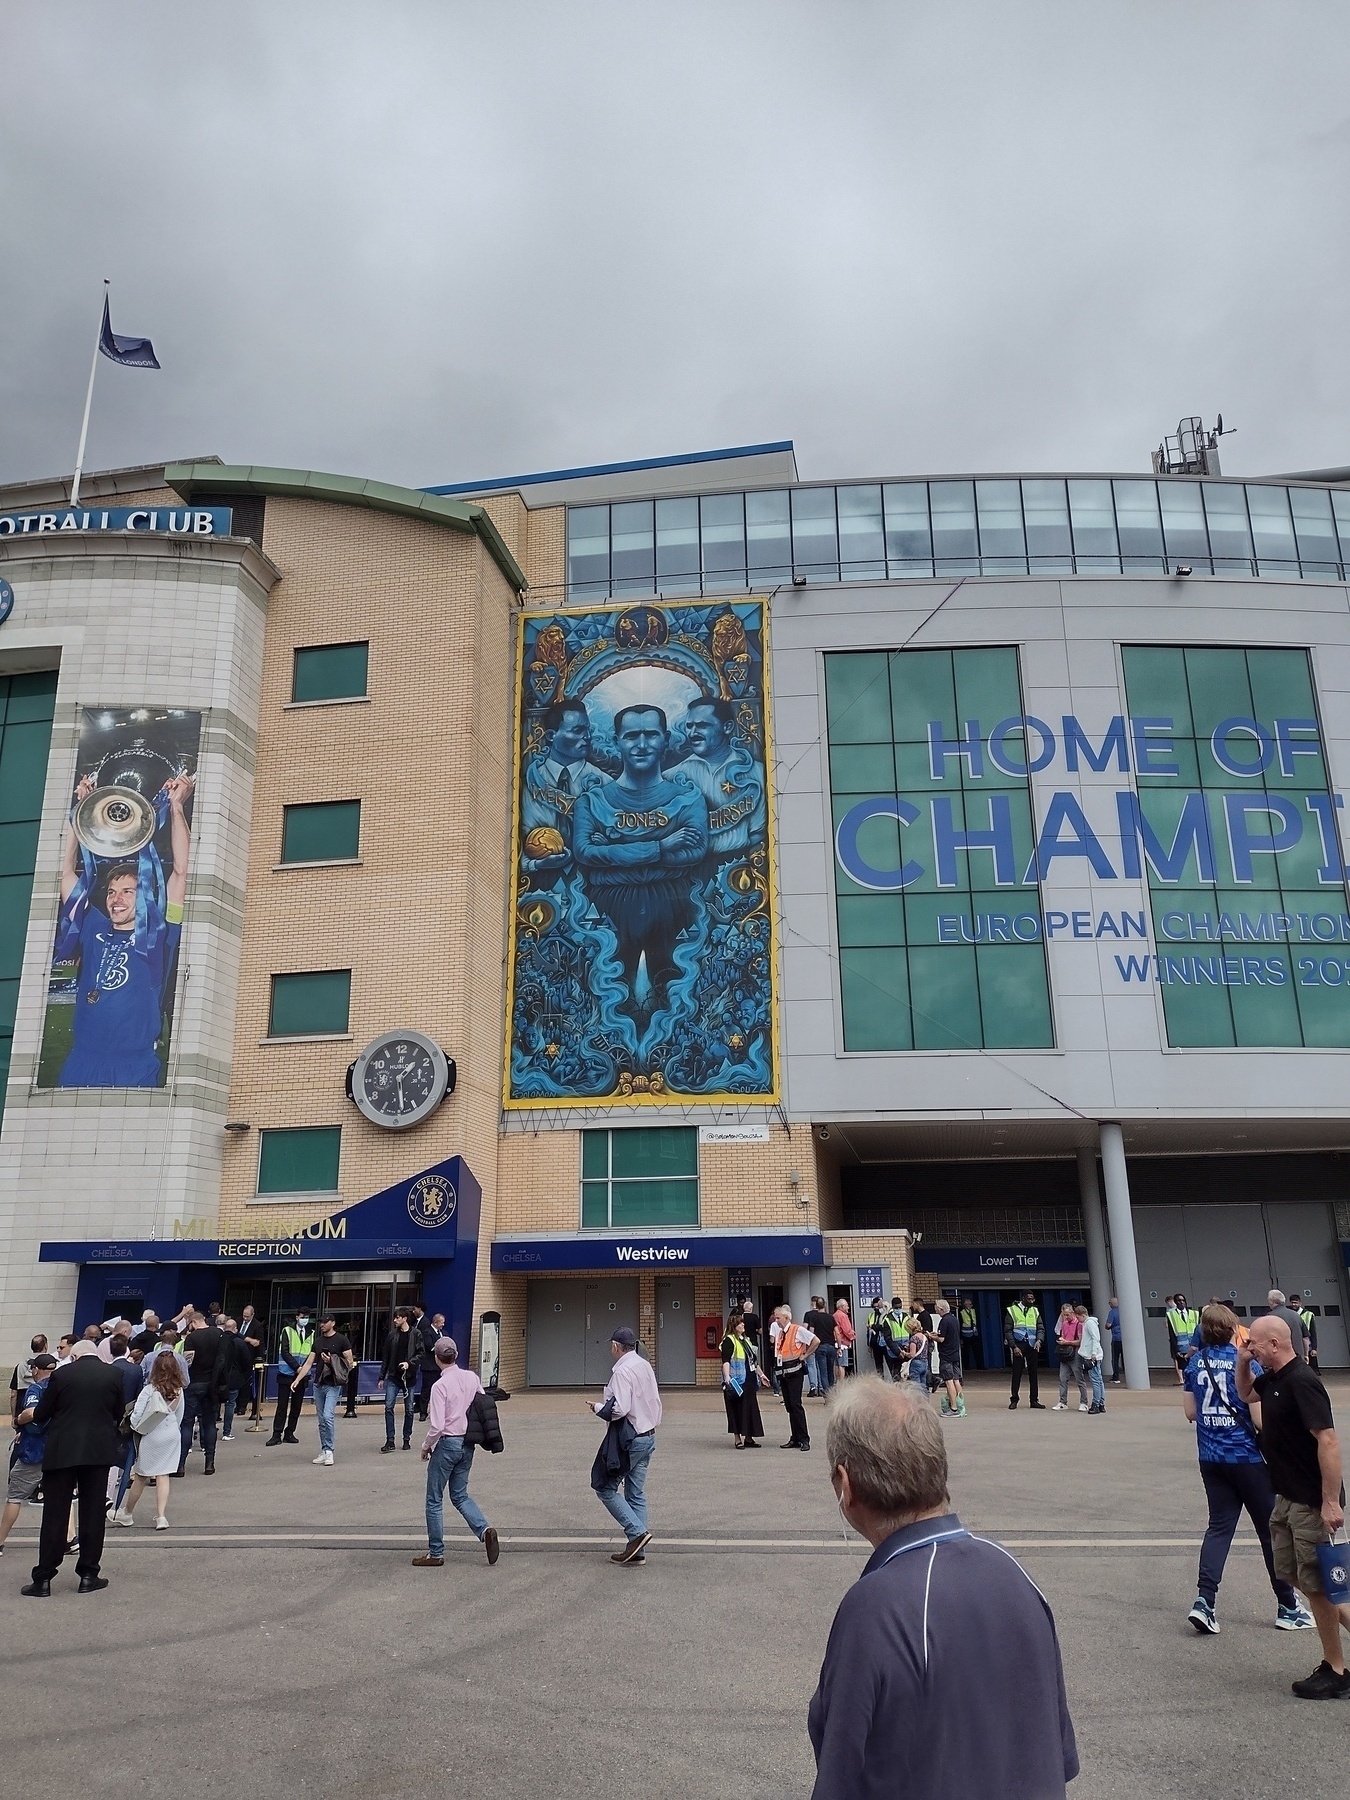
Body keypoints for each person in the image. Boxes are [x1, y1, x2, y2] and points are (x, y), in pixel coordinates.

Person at [808, 1379, 1078, 1798]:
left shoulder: (875, 1608)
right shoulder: (1016, 1575)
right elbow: (1055, 1751)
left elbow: (841, 1774)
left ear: (846, 1485)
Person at [54, 770, 193, 1087]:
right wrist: (79, 812)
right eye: (112, 891)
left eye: (128, 891)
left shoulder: (160, 934)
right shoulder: (94, 926)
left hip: (133, 1066)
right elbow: (64, 871)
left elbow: (182, 873)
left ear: (145, 896)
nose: (116, 899)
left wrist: (175, 808)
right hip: (81, 1062)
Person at [1180, 1304, 1312, 1636]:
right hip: (1247, 1458)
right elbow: (1257, 1418)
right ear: (1234, 1330)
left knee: (1219, 1528)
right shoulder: (1245, 1363)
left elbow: (1190, 1412)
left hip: (1211, 1457)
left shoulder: (1196, 1363)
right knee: (1269, 1532)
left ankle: (1205, 1601)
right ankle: (1287, 1605)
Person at [572, 704, 710, 1018]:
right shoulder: (591, 801)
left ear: (666, 739)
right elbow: (585, 852)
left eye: (651, 734)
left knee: (674, 997)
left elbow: (694, 851)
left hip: (673, 904)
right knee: (608, 997)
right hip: (607, 909)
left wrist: (614, 848)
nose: (642, 744)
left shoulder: (689, 798)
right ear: (617, 740)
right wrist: (661, 846)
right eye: (632, 735)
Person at [1238, 1314, 1350, 1698]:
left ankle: (1336, 1671)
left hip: (1311, 1501)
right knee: (1290, 1573)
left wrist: (1330, 1502)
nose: (1249, 1347)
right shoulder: (1274, 1379)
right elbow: (1245, 1395)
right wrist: (1242, 1362)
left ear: (1275, 1344)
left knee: (1319, 1586)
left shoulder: (1303, 1382)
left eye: (1254, 1343)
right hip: (1286, 1497)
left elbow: (1329, 1441)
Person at [19, 1341, 125, 1596]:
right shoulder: (114, 1374)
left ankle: (44, 1577)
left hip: (63, 1449)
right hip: (98, 1451)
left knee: (56, 1513)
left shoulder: (62, 1374)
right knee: (93, 1512)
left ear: (75, 1355)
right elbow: (118, 1411)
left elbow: (43, 1413)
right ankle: (89, 1574)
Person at [411, 1338, 501, 1568]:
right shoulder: (471, 1377)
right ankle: (484, 1529)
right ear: (457, 1354)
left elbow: (437, 1425)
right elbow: (481, 1401)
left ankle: (436, 1552)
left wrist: (425, 1446)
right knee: (460, 1494)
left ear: (437, 1358)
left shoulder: (439, 1386)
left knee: (434, 1498)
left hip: (448, 1442)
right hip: (468, 1443)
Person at [587, 1326, 662, 1564]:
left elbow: (620, 1409)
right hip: (648, 1433)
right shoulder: (644, 1365)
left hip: (629, 1437)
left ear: (617, 1347)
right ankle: (637, 1551)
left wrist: (599, 1408)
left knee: (604, 1487)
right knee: (635, 1492)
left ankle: (636, 1532)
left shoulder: (622, 1372)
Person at [671, 697, 766, 857]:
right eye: (689, 726)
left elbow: (759, 834)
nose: (693, 733)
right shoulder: (672, 776)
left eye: (702, 726)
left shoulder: (756, 772)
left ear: (727, 727)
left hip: (736, 867)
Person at [114, 1348, 186, 1531]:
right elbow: (179, 1415)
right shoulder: (179, 1390)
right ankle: (161, 1516)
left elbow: (137, 1415)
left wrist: (136, 1429)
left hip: (151, 1434)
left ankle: (127, 1512)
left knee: (141, 1475)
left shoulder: (149, 1390)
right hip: (170, 1434)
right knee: (163, 1475)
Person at [0, 1353, 56, 1559]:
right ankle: (70, 1539)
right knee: (61, 1497)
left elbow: (31, 1412)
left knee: (15, 1497)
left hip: (34, 1451)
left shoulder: (37, 1388)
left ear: (36, 1370)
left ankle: (0, 1541)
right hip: (58, 1451)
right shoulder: (63, 1388)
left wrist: (19, 1419)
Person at [293, 1315, 354, 1466]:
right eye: (321, 1322)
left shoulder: (342, 1340)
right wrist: (297, 1379)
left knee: (328, 1416)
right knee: (321, 1420)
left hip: (333, 1384)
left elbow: (350, 1363)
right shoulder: (318, 1341)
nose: (322, 1325)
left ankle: (330, 1451)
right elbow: (308, 1363)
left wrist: (332, 1360)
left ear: (333, 1323)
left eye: (325, 1322)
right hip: (319, 1384)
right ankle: (325, 1449)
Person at [179, 1310, 228, 1475]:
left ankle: (180, 1465)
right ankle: (209, 1463)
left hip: (194, 1383)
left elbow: (188, 1362)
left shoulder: (192, 1338)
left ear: (193, 1322)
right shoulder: (218, 1334)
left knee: (187, 1423)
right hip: (212, 1384)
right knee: (209, 1424)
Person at [266, 1308, 313, 1445]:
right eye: (302, 1316)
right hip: (286, 1373)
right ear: (297, 1317)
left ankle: (290, 1432)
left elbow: (311, 1354)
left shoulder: (312, 1333)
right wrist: (297, 1368)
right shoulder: (287, 1330)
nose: (305, 1319)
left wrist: (303, 1369)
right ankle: (276, 1434)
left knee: (296, 1406)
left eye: (307, 1317)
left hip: (302, 1375)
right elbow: (285, 1352)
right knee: (282, 1406)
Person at [720, 1313, 767, 1448]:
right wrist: (727, 1378)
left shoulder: (745, 1340)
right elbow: (726, 1361)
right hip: (737, 1382)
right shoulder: (729, 1340)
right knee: (736, 1409)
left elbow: (753, 1361)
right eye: (740, 1323)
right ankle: (737, 1438)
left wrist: (762, 1375)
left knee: (750, 1409)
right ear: (734, 1327)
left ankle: (749, 1437)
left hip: (749, 1380)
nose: (743, 1325)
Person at [775, 1306, 819, 1452]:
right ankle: (794, 1437)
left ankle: (804, 1439)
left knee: (796, 1405)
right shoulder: (781, 1333)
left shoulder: (797, 1330)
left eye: (778, 1318)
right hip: (784, 1372)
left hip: (795, 1372)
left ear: (786, 1318)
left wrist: (805, 1355)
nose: (776, 1320)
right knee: (789, 1406)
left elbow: (816, 1341)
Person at [379, 1305, 417, 1453]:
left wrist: (410, 1363)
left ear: (405, 1318)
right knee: (388, 1406)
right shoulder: (392, 1335)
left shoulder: (416, 1334)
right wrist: (382, 1376)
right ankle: (390, 1440)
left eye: (398, 1317)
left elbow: (420, 1353)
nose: (395, 1320)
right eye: (395, 1317)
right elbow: (386, 1357)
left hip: (409, 1378)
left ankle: (406, 1438)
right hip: (394, 1376)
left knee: (409, 1409)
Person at [1006, 1292, 1045, 1410]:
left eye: (1033, 1299)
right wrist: (1014, 1347)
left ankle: (1034, 1400)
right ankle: (1014, 1399)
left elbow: (1040, 1327)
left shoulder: (1035, 1311)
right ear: (1023, 1298)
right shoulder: (1012, 1310)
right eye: (1029, 1299)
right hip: (1019, 1344)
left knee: (1033, 1374)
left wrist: (1039, 1340)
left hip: (1032, 1345)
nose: (1032, 1301)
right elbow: (1008, 1331)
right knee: (1017, 1373)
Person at [1052, 1303, 1088, 1412]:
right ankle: (1063, 1402)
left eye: (1067, 1315)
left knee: (1079, 1378)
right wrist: (1061, 1340)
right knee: (1062, 1378)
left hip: (1075, 1352)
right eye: (1063, 1315)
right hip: (1065, 1353)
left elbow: (1080, 1341)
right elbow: (1062, 1335)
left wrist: (1066, 1342)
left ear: (1072, 1313)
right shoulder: (1064, 1323)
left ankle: (1084, 1402)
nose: (1065, 1317)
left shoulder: (1079, 1324)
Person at [934, 1299, 966, 1417]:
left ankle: (953, 1408)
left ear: (941, 1309)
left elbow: (942, 1339)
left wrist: (932, 1337)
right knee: (956, 1380)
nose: (935, 1309)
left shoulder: (944, 1321)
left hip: (946, 1355)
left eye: (936, 1307)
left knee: (949, 1381)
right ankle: (961, 1406)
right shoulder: (954, 1319)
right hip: (955, 1353)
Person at [409, 1302, 440, 1421]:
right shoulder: (415, 1322)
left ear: (420, 1309)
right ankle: (419, 1406)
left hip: (428, 1361)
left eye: (415, 1308)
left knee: (427, 1388)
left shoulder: (425, 1323)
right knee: (424, 1387)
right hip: (422, 1360)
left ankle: (422, 1408)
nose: (413, 1311)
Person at [10, 1334, 48, 1426]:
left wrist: (14, 1417)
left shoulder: (20, 1366)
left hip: (22, 1409)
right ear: (46, 1346)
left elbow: (13, 1394)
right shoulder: (51, 1364)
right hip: (44, 1408)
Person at [1076, 1306, 1106, 1415]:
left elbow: (1095, 1338)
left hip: (1092, 1355)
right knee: (1099, 1379)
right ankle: (1101, 1403)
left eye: (1078, 1317)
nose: (1078, 1319)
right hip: (1095, 1354)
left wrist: (1093, 1353)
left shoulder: (1089, 1323)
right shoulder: (1090, 1323)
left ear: (1082, 1315)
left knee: (1095, 1380)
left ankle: (1096, 1404)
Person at [1166, 1293, 1201, 1386]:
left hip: (1194, 1347)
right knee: (1185, 1369)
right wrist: (1176, 1349)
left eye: (1183, 1300)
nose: (1181, 1302)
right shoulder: (1171, 1315)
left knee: (1195, 1367)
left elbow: (1199, 1331)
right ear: (1175, 1302)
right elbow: (1172, 1333)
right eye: (1178, 1300)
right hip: (1181, 1348)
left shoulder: (1194, 1314)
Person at [804, 1296, 836, 1395]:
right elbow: (837, 1332)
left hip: (818, 1345)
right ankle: (830, 1391)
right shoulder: (831, 1317)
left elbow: (809, 1331)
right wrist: (838, 1345)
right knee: (830, 1370)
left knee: (819, 1369)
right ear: (825, 1305)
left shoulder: (811, 1316)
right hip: (831, 1345)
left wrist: (809, 1344)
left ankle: (820, 1390)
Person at [1266, 1289, 1309, 1360]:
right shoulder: (1296, 1315)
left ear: (1271, 1301)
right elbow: (1305, 1339)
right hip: (1297, 1358)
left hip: (1279, 1360)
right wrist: (1306, 1355)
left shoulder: (1269, 1317)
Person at [864, 1295, 890, 1378]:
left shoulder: (887, 1315)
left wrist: (874, 1326)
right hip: (875, 1343)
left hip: (885, 1343)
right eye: (874, 1307)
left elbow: (884, 1328)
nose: (876, 1309)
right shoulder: (871, 1315)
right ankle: (880, 1380)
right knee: (878, 1364)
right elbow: (869, 1332)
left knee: (889, 1362)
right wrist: (869, 1344)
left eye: (878, 1307)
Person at [832, 1297, 856, 1380]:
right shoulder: (843, 1316)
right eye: (847, 1306)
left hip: (834, 1343)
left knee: (836, 1364)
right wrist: (853, 1335)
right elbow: (847, 1330)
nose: (848, 1307)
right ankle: (841, 1384)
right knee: (842, 1365)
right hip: (842, 1343)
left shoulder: (834, 1315)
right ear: (842, 1307)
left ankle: (836, 1383)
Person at [1297, 1297, 1320, 1370]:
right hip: (1297, 1342)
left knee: (1311, 1366)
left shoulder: (1309, 1314)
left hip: (1308, 1342)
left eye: (1296, 1302)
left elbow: (1313, 1333)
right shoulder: (1292, 1314)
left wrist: (1314, 1348)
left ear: (1300, 1303)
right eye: (1292, 1302)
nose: (1294, 1304)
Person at [1105, 1296, 1124, 1384]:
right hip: (1125, 1339)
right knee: (1125, 1358)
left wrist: (1106, 1326)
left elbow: (1108, 1325)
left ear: (1112, 1304)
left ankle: (1116, 1377)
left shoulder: (1112, 1312)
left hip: (1116, 1338)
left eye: (1109, 1303)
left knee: (1115, 1358)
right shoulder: (1124, 1310)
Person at [958, 1297, 980, 1370]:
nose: (971, 1305)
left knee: (976, 1350)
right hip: (966, 1334)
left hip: (974, 1333)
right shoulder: (961, 1312)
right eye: (970, 1304)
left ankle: (979, 1366)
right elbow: (961, 1322)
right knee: (966, 1351)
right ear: (966, 1305)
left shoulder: (973, 1311)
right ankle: (966, 1367)